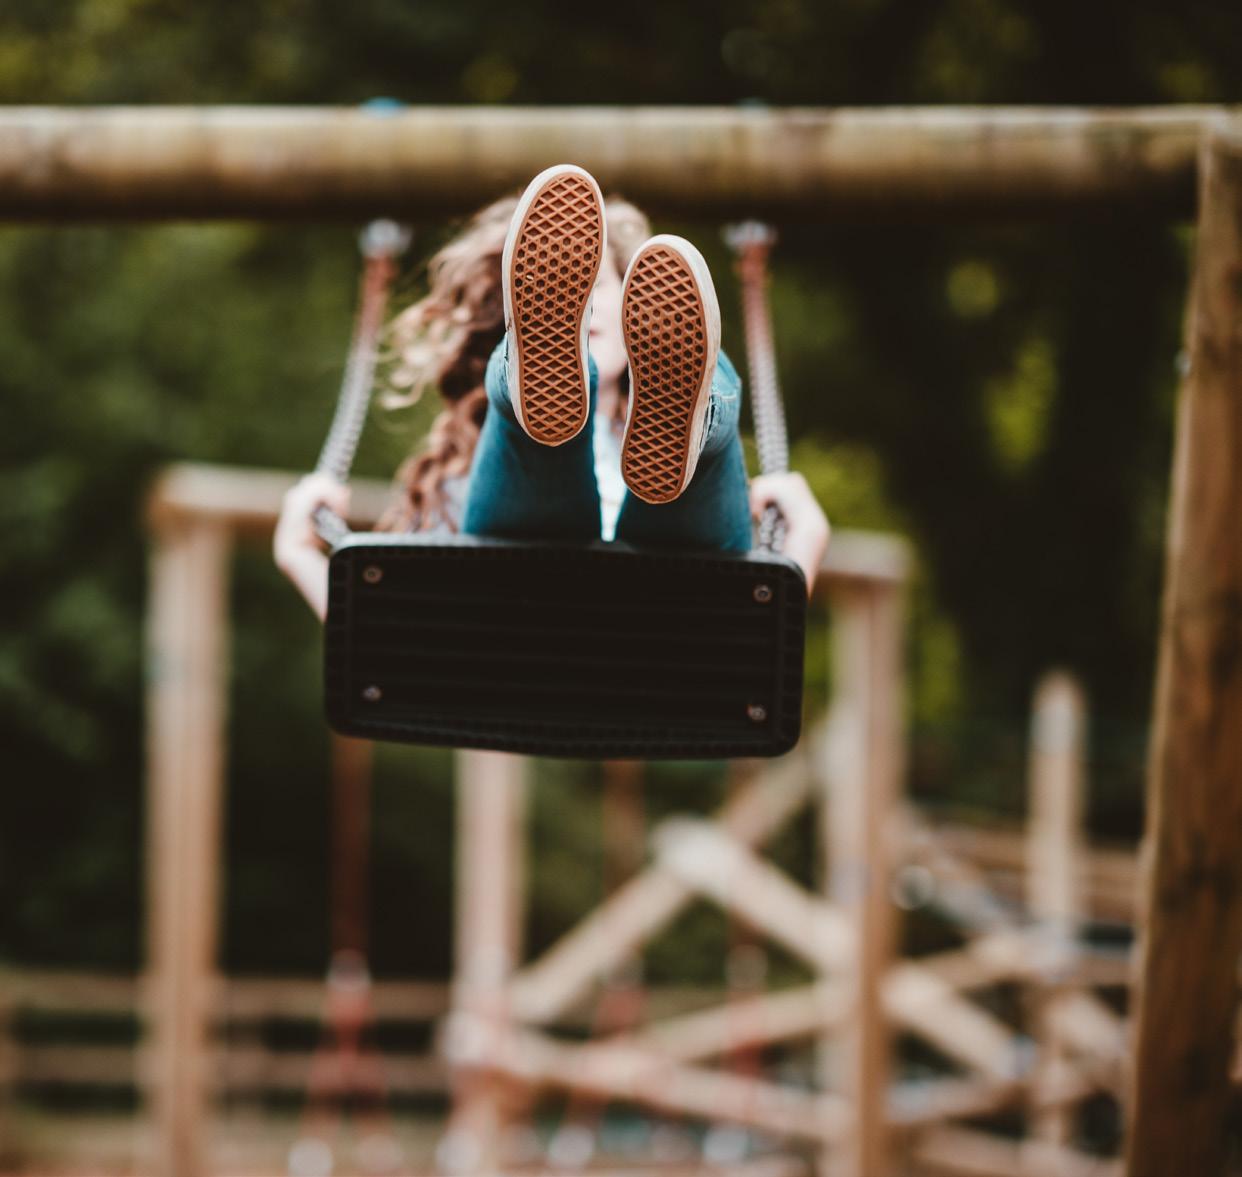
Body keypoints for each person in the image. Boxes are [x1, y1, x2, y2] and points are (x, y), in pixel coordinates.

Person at [275, 165, 829, 621]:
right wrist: (803, 543)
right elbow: (756, 649)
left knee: (686, 477)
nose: (583, 306)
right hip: (655, 642)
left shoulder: (454, 483)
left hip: (638, 619)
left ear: (640, 302)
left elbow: (390, 656)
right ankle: (535, 397)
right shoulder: (454, 481)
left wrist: (301, 554)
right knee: (532, 449)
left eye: (595, 285)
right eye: (560, 293)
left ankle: (693, 418)